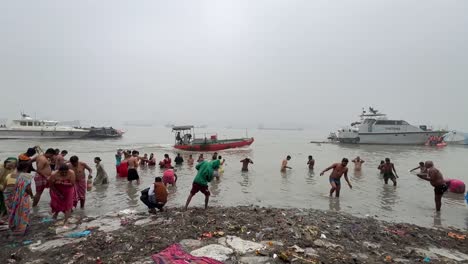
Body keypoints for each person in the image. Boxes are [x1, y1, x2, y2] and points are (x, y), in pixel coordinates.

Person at [8, 161, 33, 235]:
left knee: (16, 210)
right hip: (24, 197)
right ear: (26, 168)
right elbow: (28, 189)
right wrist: (32, 195)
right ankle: (22, 227)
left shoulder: (16, 175)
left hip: (16, 196)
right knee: (24, 212)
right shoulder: (28, 176)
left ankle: (14, 224)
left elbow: (15, 186)